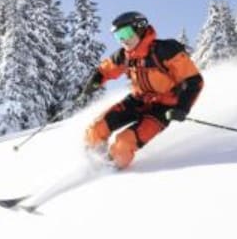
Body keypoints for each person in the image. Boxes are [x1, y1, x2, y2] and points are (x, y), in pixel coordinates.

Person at [83, 11, 203, 169]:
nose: (123, 39)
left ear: (140, 28)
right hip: (138, 101)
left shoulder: (165, 50)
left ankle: (110, 173)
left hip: (163, 109)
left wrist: (182, 107)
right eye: (118, 36)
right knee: (96, 130)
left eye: (125, 33)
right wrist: (96, 80)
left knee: (124, 143)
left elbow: (194, 81)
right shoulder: (124, 56)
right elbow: (105, 70)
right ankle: (95, 167)